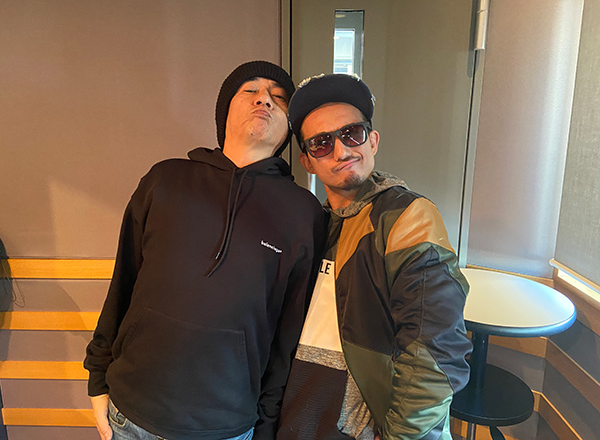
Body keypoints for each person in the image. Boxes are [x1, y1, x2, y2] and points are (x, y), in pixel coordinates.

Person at [84, 61, 326, 440]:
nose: (264, 99)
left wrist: (267, 427)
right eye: (250, 90)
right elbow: (124, 281)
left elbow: (289, 336)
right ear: (224, 110)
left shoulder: (303, 213)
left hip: (227, 427)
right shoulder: (165, 179)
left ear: (288, 130)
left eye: (278, 98)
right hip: (129, 412)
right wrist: (97, 377)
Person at [276, 73, 472, 440]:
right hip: (299, 421)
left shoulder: (405, 216)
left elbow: (434, 350)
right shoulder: (314, 225)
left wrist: (404, 435)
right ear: (307, 161)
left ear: (373, 140)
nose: (341, 151)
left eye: (352, 133)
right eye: (321, 143)